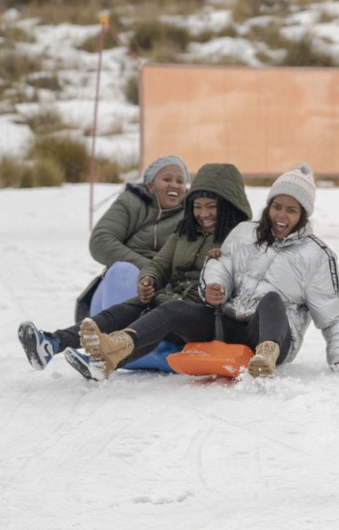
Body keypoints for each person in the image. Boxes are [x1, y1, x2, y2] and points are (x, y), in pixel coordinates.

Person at [18, 163, 252, 380]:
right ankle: (52, 343)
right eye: (197, 207)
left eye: (212, 207)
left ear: (229, 206)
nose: (204, 214)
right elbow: (159, 263)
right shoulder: (185, 232)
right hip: (173, 303)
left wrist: (221, 277)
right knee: (123, 310)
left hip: (208, 315)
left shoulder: (241, 239)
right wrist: (149, 278)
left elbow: (249, 279)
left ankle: (108, 357)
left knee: (169, 310)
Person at [197, 162, 339, 378]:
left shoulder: (317, 255)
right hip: (231, 328)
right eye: (277, 207)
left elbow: (331, 313)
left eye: (291, 210)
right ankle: (136, 341)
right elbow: (222, 265)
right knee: (174, 311)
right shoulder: (244, 232)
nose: (281, 216)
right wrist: (215, 286)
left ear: (303, 214)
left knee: (272, 299)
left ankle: (266, 353)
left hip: (279, 339)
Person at [75, 155, 190, 322]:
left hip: (164, 293)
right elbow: (101, 240)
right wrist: (151, 268)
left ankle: (155, 346)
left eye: (180, 181)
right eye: (167, 179)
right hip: (116, 292)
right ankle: (113, 342)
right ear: (150, 184)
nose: (174, 185)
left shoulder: (191, 214)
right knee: (122, 271)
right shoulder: (132, 201)